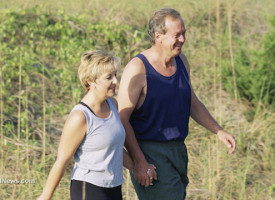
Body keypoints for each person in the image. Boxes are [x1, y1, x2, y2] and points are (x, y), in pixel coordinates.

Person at [117, 8, 236, 200]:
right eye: (177, 35)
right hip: (150, 153)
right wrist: (139, 161)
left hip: (179, 151)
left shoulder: (181, 61)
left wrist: (218, 130)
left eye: (184, 33)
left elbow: (191, 102)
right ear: (159, 37)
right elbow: (122, 119)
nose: (183, 39)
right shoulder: (137, 68)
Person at [37, 50, 136, 200]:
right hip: (88, 188)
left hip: (114, 187)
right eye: (109, 77)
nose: (115, 81)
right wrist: (45, 196)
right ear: (91, 81)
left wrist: (138, 168)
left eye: (115, 75)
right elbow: (62, 160)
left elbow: (115, 148)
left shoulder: (113, 104)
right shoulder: (80, 116)